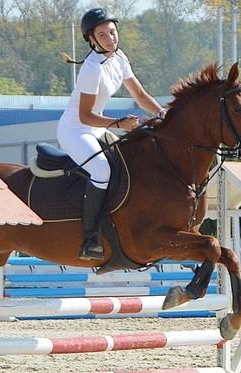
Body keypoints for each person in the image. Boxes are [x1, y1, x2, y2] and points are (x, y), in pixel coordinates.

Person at [58, 8, 166, 260]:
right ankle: (90, 238)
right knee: (102, 171)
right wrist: (119, 123)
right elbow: (85, 116)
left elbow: (139, 95)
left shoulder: (120, 58)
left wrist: (162, 112)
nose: (110, 39)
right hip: (76, 130)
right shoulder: (91, 68)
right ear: (92, 40)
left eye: (112, 32)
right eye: (103, 35)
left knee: (132, 163)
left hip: (97, 127)